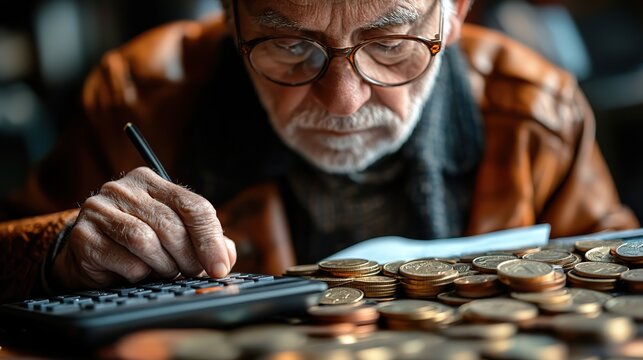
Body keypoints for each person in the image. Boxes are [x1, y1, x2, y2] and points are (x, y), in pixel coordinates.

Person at [0, 0, 638, 302]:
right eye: (290, 47)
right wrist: (60, 252)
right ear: (231, 18)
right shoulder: (135, 98)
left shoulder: (538, 115)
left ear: (454, 15)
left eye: (390, 46)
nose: (342, 101)